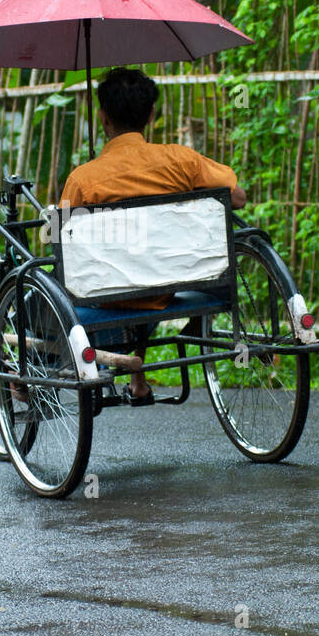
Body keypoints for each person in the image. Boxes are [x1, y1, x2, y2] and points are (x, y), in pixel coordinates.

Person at [59, 67, 247, 404]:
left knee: (118, 270)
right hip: (166, 286)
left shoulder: (83, 179)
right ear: (151, 114)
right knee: (153, 263)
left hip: (109, 294)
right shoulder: (182, 161)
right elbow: (237, 198)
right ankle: (138, 376)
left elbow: (62, 243)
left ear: (103, 118)